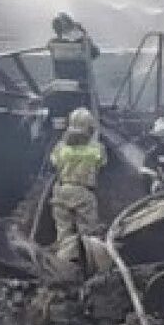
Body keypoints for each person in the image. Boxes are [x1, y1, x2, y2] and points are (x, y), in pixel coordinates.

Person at [49, 107, 107, 270]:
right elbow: (102, 163)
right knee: (88, 234)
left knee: (64, 234)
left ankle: (64, 268)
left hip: (61, 191)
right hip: (83, 192)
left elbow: (54, 162)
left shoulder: (61, 147)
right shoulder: (96, 149)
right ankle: (92, 270)